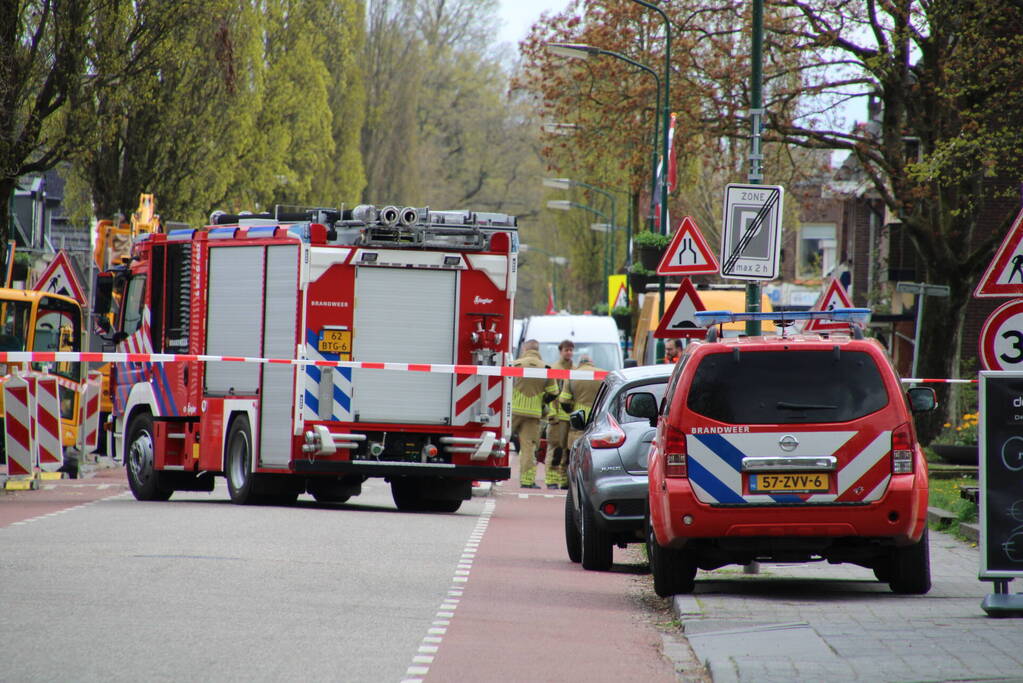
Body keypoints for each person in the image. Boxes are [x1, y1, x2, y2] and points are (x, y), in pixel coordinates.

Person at [510, 339, 554, 489]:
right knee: (528, 447)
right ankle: (527, 481)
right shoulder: (546, 368)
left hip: (513, 411)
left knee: (499, 440)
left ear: (525, 349)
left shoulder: (515, 364)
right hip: (533, 413)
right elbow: (553, 392)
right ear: (538, 350)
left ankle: (486, 474)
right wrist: (541, 402)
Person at [560, 355, 604, 480]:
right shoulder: (603, 374)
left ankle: (569, 480)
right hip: (598, 417)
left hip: (579, 418)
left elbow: (564, 400)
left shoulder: (573, 374)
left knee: (575, 451)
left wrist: (570, 411)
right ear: (592, 363)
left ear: (579, 363)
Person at [543, 339, 575, 489]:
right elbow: (551, 394)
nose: (569, 352)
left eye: (571, 350)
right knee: (555, 449)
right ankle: (551, 479)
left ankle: (563, 481)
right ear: (560, 351)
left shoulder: (575, 371)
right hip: (557, 416)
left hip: (569, 416)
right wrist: (552, 413)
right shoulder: (554, 369)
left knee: (567, 451)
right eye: (566, 350)